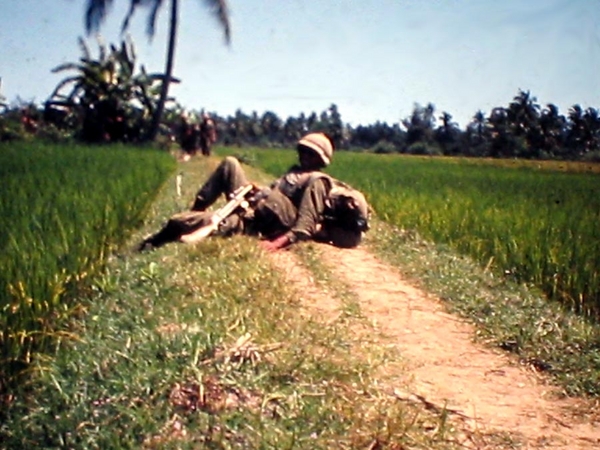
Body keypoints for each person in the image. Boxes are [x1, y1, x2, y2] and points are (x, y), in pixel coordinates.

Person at [138, 132, 369, 252]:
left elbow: (304, 227)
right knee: (230, 163)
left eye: (310, 154)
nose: (304, 156)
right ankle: (199, 208)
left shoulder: (317, 182)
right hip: (251, 205)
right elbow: (277, 191)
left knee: (178, 222)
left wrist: (273, 245)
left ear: (320, 160)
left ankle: (147, 246)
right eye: (303, 151)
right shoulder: (295, 173)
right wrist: (260, 191)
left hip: (254, 220)